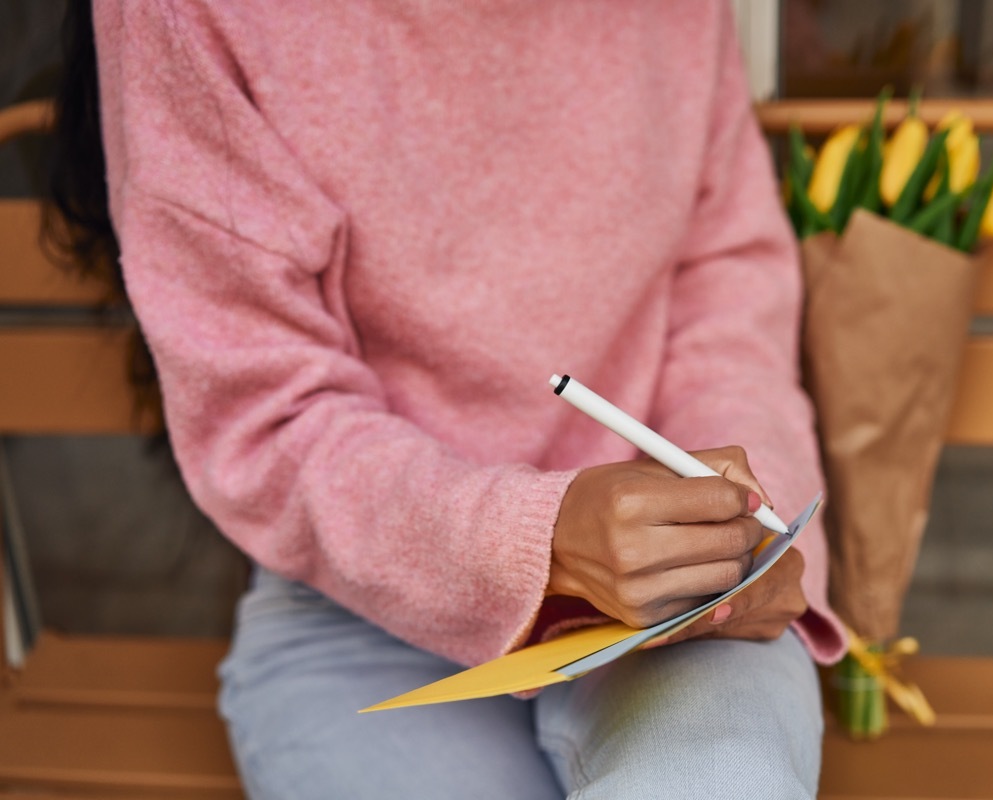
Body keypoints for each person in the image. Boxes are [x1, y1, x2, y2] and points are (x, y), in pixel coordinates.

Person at [55, 1, 846, 796]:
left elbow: (726, 292)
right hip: (365, 610)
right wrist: (534, 542)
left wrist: (742, 529)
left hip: (682, 597)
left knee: (721, 779)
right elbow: (267, 410)